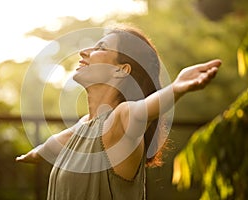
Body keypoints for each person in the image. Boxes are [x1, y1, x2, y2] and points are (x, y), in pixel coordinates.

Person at [16, 25, 221, 200]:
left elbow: (143, 110)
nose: (84, 52)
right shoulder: (84, 127)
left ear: (121, 70)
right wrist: (35, 153)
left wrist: (176, 88)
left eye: (100, 47)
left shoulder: (120, 120)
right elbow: (55, 143)